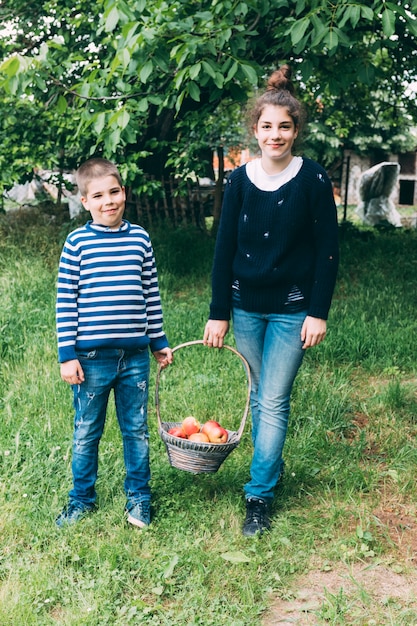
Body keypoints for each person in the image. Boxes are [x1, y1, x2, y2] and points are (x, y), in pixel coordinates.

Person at [203, 65, 339, 537]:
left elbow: (327, 251)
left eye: (284, 126)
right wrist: (218, 311)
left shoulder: (313, 180)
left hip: (292, 310)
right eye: (266, 126)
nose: (275, 134)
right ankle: (270, 468)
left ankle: (258, 495)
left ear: (295, 131)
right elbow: (223, 250)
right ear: (254, 130)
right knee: (258, 396)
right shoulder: (239, 181)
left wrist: (317, 311)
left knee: (274, 401)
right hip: (244, 306)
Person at [56, 157, 173, 528]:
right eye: (98, 195)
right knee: (87, 430)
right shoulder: (77, 243)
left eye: (114, 192)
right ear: (85, 201)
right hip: (90, 359)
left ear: (124, 192)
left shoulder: (140, 238)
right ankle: (81, 500)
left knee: (135, 430)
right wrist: (67, 355)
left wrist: (158, 340)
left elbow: (150, 293)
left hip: (135, 357)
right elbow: (65, 302)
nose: (109, 201)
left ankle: (139, 498)